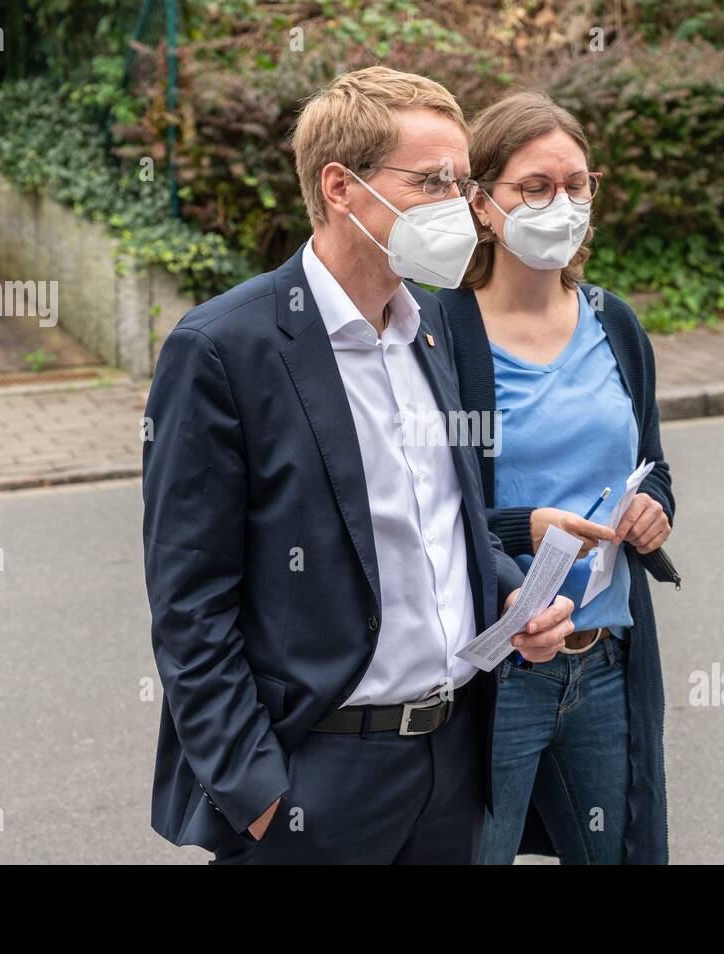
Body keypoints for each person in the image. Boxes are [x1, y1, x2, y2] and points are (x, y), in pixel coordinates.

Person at [141, 67, 575, 865]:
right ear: (341, 186)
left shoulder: (437, 324)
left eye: (463, 180)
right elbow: (188, 601)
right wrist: (258, 793)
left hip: (450, 764)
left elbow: (448, 521)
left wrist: (512, 597)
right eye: (433, 181)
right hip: (319, 778)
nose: (460, 205)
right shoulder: (225, 349)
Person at [437, 91, 677, 864]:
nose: (561, 204)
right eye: (534, 188)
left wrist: (654, 509)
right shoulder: (439, 335)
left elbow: (654, 464)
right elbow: (425, 509)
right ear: (481, 203)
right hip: (499, 669)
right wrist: (524, 529)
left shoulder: (615, 323)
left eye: (576, 185)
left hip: (605, 659)